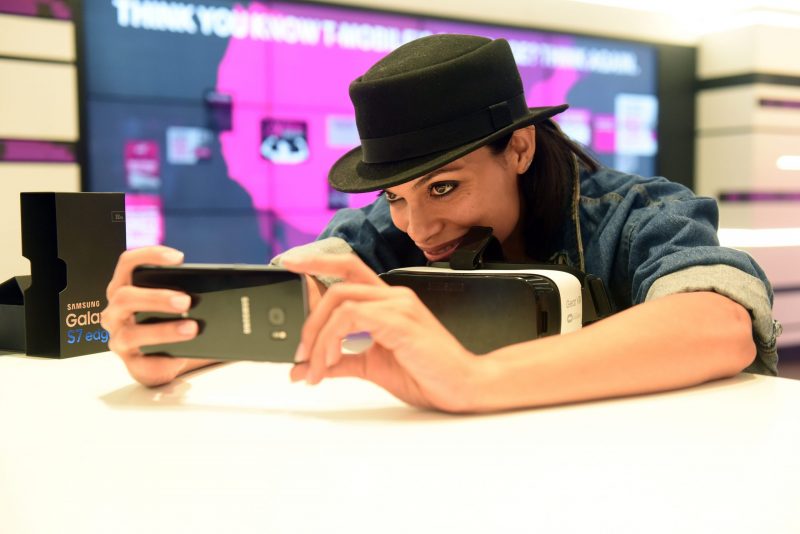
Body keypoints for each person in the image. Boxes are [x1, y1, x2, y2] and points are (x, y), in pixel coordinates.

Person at [101, 34, 779, 413]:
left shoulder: (636, 213)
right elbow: (294, 302)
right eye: (395, 196)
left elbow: (718, 324)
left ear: (519, 147)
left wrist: (475, 381)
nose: (417, 226)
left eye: (443, 187)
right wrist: (167, 343)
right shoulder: (386, 232)